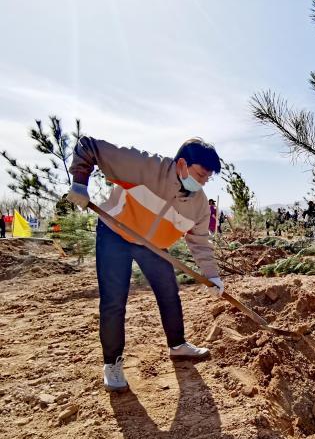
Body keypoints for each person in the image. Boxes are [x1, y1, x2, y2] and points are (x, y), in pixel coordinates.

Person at [67, 136, 225, 393]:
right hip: (115, 234)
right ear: (182, 164)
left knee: (169, 293)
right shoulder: (145, 166)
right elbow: (89, 146)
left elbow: (199, 242)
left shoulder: (198, 205)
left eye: (207, 178)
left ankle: (177, 346)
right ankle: (112, 363)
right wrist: (80, 182)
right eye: (200, 174)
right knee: (113, 301)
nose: (203, 181)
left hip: (152, 246)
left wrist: (212, 276)